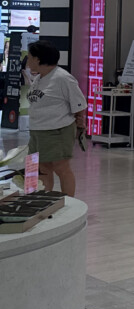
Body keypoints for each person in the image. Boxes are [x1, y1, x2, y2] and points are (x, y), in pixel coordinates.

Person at [25, 42, 86, 196]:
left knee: (61, 168)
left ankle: (70, 202)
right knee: (40, 168)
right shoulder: (39, 78)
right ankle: (42, 201)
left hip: (57, 131)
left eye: (29, 57)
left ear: (38, 59)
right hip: (37, 130)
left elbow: (79, 105)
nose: (27, 61)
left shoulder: (63, 78)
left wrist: (80, 124)